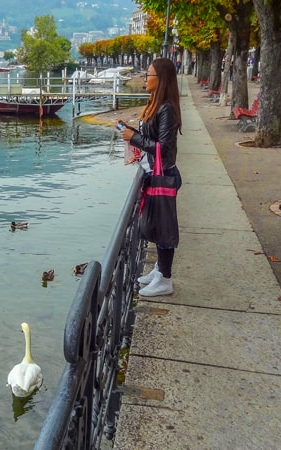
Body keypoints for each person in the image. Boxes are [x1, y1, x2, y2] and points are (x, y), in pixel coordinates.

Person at [118, 57, 183, 297]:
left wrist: (133, 137)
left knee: (164, 229)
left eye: (149, 75)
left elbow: (163, 147)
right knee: (157, 226)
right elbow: (154, 139)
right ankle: (159, 270)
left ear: (161, 79)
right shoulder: (157, 104)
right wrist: (131, 132)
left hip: (163, 175)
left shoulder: (166, 108)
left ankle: (165, 279)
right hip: (155, 173)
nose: (145, 78)